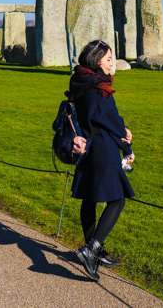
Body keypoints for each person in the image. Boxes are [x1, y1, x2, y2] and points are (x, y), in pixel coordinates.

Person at [67, 39, 135, 281]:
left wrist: (119, 128)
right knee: (117, 200)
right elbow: (108, 120)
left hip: (88, 147)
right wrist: (126, 144)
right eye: (108, 59)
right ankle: (92, 248)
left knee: (89, 199)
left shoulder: (81, 80)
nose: (112, 63)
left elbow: (99, 118)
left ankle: (93, 251)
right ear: (97, 61)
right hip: (103, 149)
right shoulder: (98, 87)